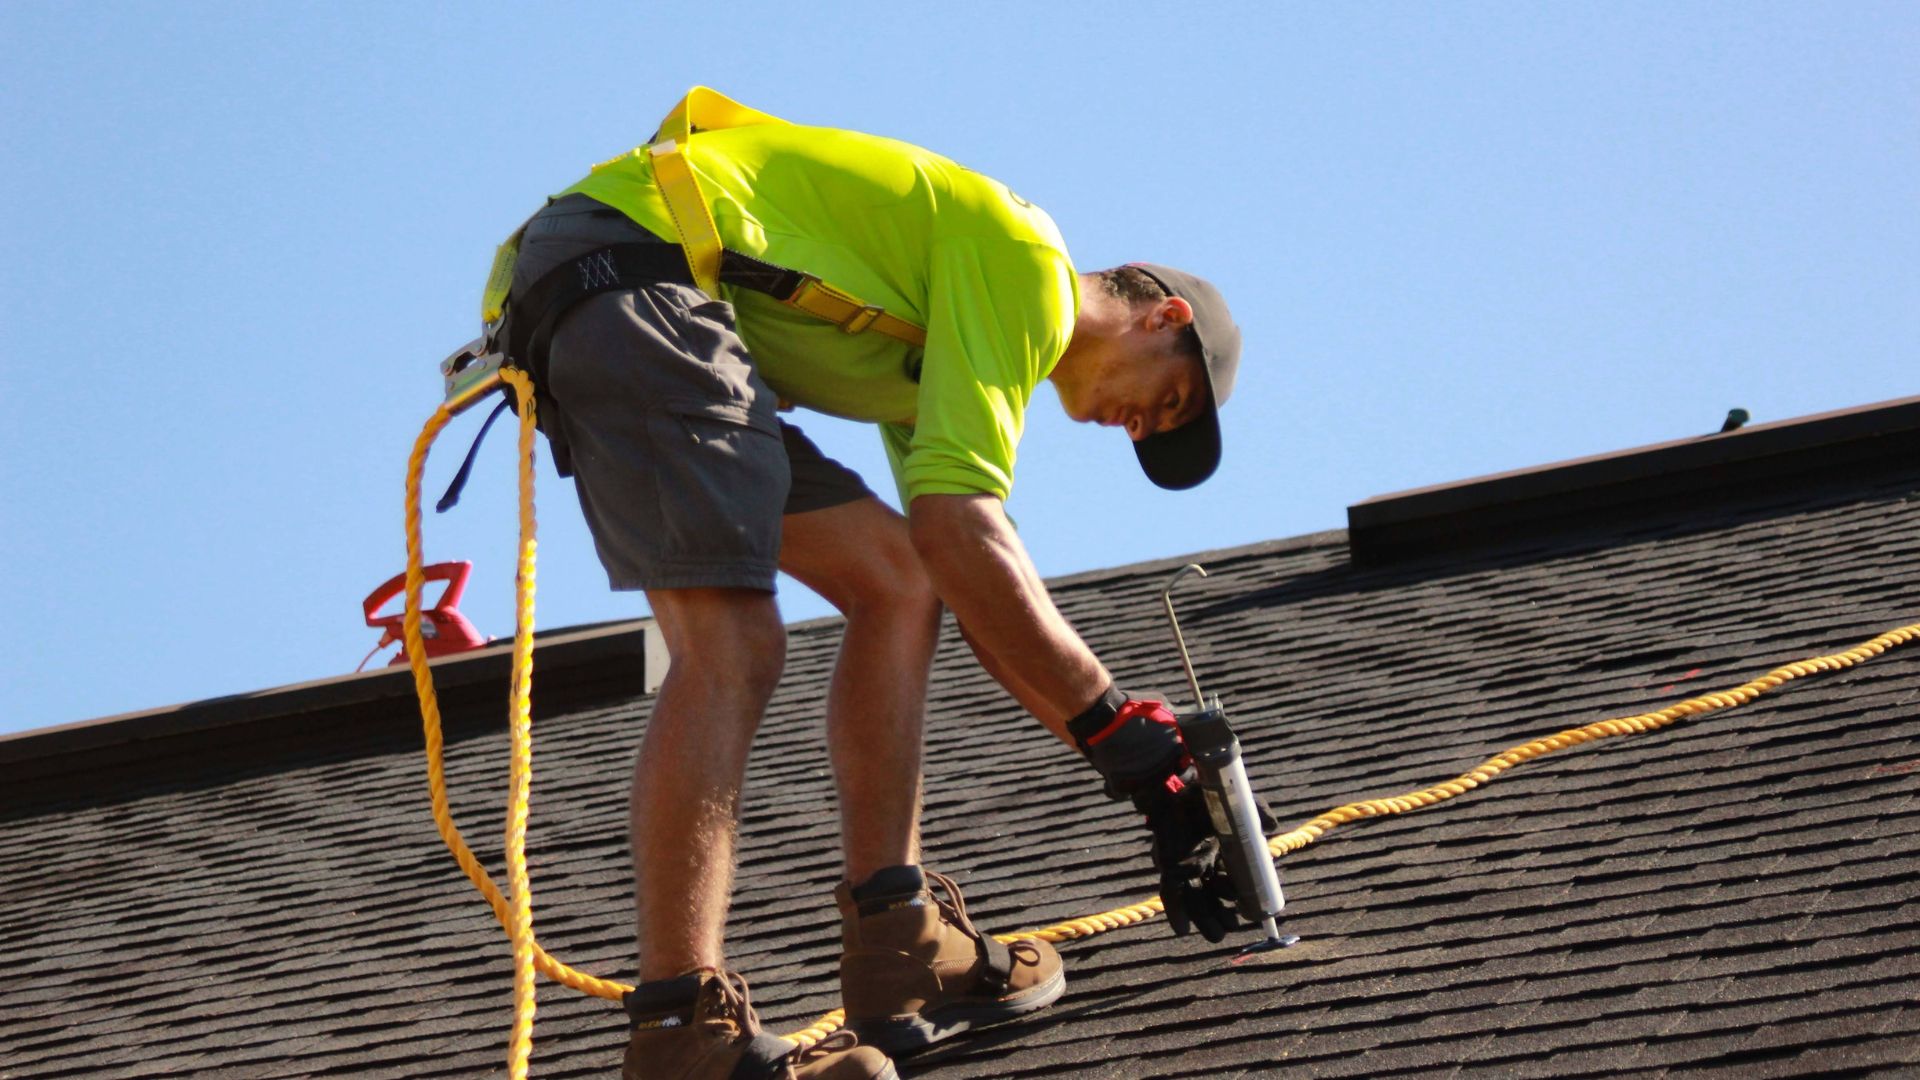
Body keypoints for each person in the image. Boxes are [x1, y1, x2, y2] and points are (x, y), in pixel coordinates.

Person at [497, 89, 1244, 1080]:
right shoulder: (1027, 264)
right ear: (1166, 315)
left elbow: (965, 573)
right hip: (630, 278)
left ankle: (899, 941)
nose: (1146, 425)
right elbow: (964, 528)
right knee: (732, 646)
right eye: (1172, 398)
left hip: (642, 304)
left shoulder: (939, 348)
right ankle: (680, 1032)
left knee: (897, 583)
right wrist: (1121, 732)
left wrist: (1130, 762)